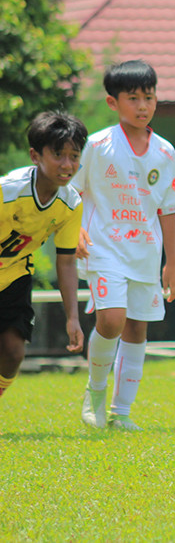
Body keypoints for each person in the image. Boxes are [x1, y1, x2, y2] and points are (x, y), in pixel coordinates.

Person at [76, 59, 175, 431]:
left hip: (146, 253)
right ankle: (94, 394)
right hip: (104, 248)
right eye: (133, 98)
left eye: (149, 97)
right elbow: (70, 192)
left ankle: (121, 414)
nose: (142, 105)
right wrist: (73, 232)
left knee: (137, 329)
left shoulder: (166, 152)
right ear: (113, 102)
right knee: (111, 320)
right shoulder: (97, 145)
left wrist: (172, 263)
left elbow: (168, 208)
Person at [0, 112, 89, 405]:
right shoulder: (7, 192)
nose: (67, 164)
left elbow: (65, 262)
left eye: (74, 156)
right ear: (35, 155)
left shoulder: (71, 203)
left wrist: (73, 317)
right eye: (58, 155)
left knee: (13, 352)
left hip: (13, 276)